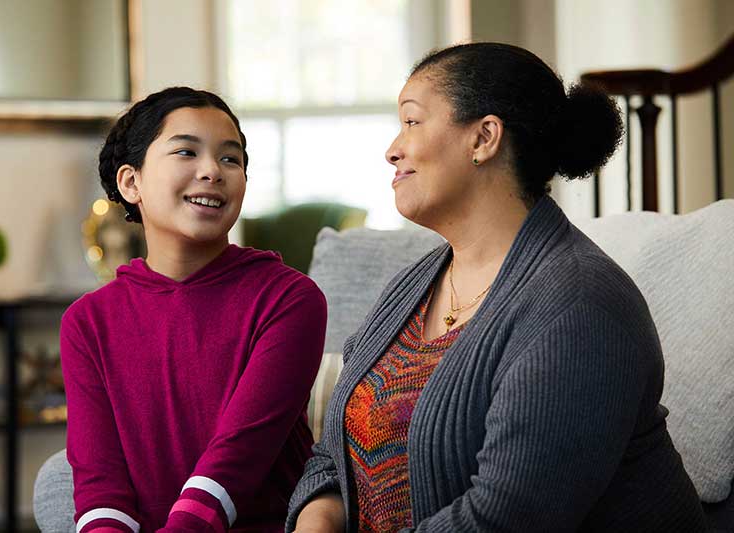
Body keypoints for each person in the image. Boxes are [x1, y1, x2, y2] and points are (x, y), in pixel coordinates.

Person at [287, 43, 705, 532]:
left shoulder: (580, 305)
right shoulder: (413, 285)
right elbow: (333, 453)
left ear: (484, 138)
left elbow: (504, 519)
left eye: (412, 121)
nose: (392, 149)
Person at [61, 87, 327, 533]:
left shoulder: (290, 299)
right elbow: (100, 482)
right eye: (187, 151)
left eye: (231, 159)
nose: (212, 171)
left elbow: (238, 456)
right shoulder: (87, 322)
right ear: (131, 183)